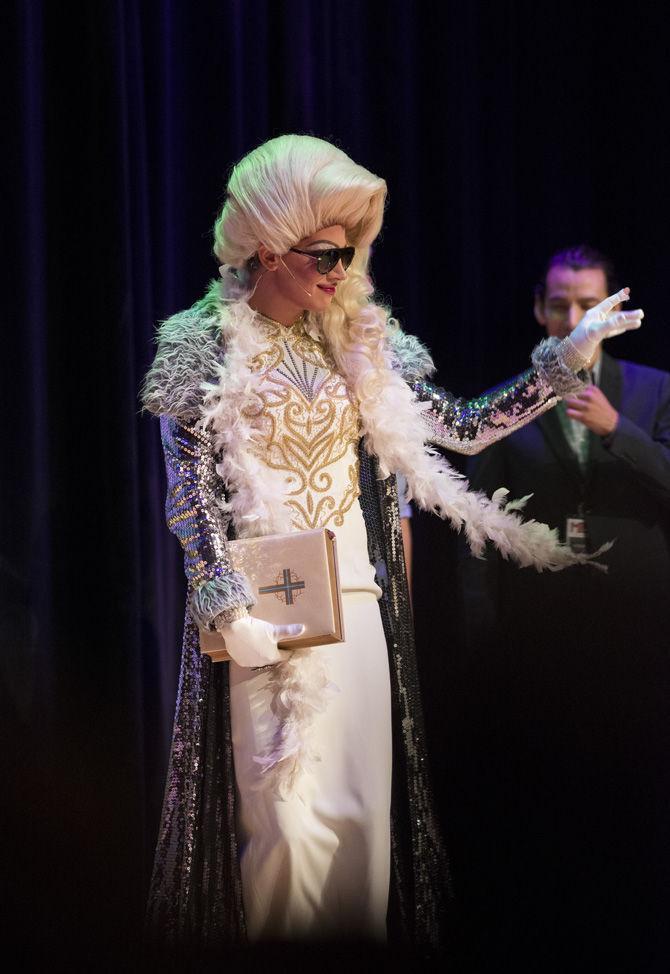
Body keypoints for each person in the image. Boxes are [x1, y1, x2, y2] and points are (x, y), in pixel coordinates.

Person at [141, 141, 642, 951]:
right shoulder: (202, 346)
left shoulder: (362, 343)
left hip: (360, 609)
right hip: (265, 621)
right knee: (288, 836)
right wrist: (223, 605)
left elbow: (465, 430)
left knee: (360, 824)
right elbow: (189, 495)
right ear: (270, 245)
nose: (344, 269)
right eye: (327, 252)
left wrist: (560, 362)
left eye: (353, 250)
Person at [460, 244, 670, 964]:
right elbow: (470, 522)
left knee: (635, 815)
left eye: (587, 304)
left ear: (613, 312)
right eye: (559, 304)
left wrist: (621, 432)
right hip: (537, 649)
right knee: (544, 816)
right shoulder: (510, 400)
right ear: (538, 309)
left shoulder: (652, 390)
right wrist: (482, 634)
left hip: (636, 645)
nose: (572, 316)